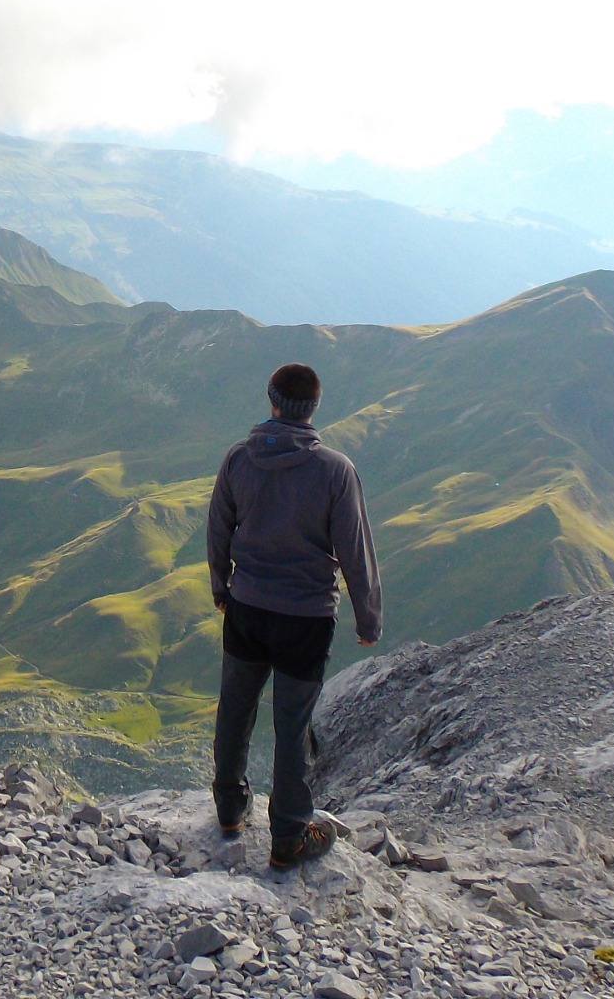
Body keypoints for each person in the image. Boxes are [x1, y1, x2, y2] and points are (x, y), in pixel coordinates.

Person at [206, 362, 383, 869]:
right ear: (314, 409)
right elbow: (354, 550)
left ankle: (229, 807)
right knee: (292, 724)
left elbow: (218, 527)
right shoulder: (335, 470)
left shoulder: (239, 458)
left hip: (246, 606)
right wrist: (368, 619)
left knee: (235, 707)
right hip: (306, 618)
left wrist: (222, 587)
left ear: (272, 400)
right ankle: (288, 836)